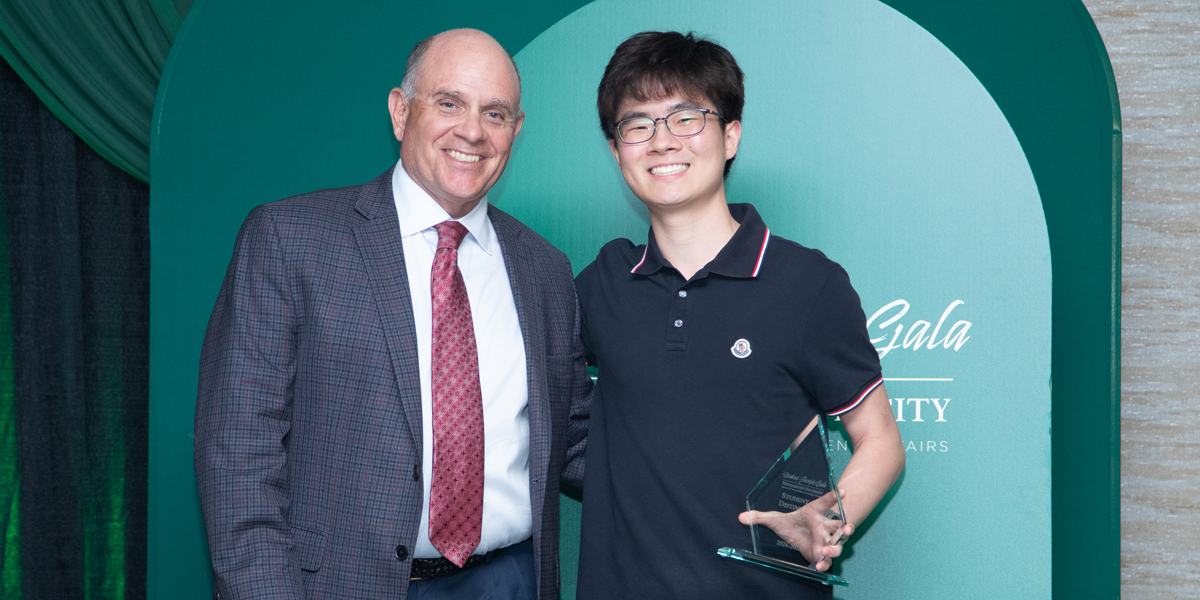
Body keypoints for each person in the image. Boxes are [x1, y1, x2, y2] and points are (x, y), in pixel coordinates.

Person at [194, 28, 590, 600]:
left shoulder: (545, 270)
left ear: (516, 130)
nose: (473, 131)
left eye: (495, 114)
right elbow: (238, 459)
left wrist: (725, 478)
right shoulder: (289, 239)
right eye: (449, 103)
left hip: (510, 581)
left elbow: (576, 439)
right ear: (401, 112)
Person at [573, 31, 905, 599]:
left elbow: (880, 441)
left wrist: (829, 519)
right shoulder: (601, 284)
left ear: (730, 137)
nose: (661, 141)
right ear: (616, 151)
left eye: (685, 118)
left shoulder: (808, 284)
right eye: (638, 124)